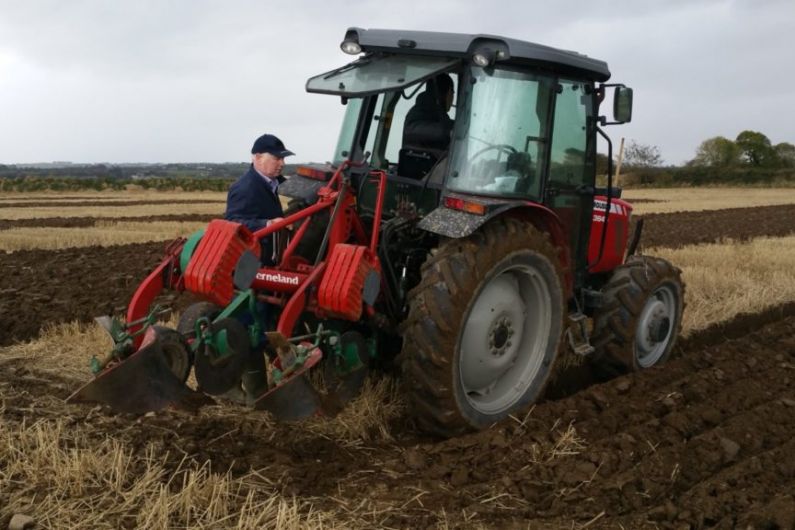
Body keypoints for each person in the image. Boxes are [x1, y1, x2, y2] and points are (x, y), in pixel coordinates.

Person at [225, 133, 294, 265]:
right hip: (256, 260)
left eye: (283, 158)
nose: (282, 163)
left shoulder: (275, 181)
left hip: (273, 253)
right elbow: (232, 223)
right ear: (258, 157)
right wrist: (267, 224)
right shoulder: (245, 188)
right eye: (277, 158)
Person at [402, 73, 455, 150]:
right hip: (418, 160)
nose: (453, 98)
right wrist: (448, 132)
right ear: (449, 92)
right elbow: (412, 130)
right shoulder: (419, 111)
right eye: (453, 93)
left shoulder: (439, 115)